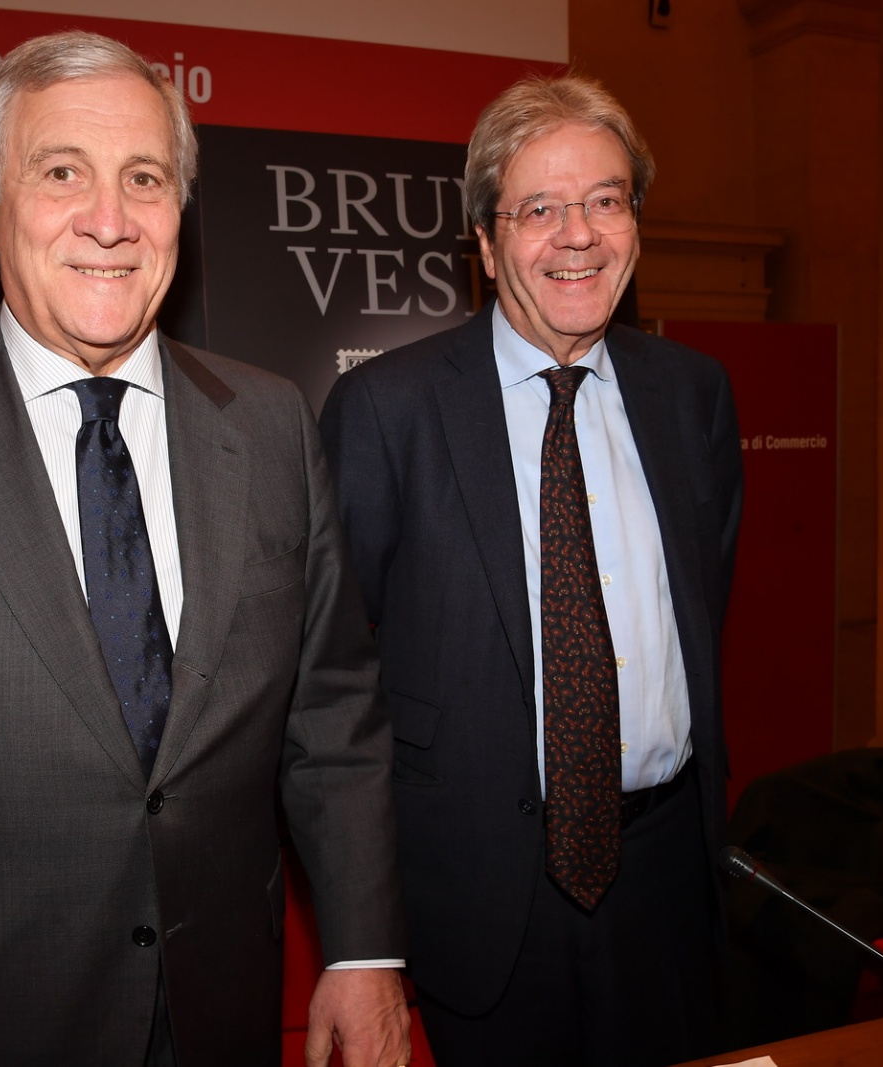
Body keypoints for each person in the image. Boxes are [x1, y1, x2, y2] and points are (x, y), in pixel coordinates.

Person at [0, 31, 408, 1067]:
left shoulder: (271, 421)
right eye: (61, 173)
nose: (110, 218)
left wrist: (362, 951)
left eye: (145, 177)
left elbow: (334, 717)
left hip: (222, 1010)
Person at [320, 75, 743, 1066]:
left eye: (604, 200)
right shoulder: (387, 410)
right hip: (477, 895)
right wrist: (364, 937)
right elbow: (326, 685)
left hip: (668, 885)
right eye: (540, 208)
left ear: (634, 221)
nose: (578, 235)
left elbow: (703, 610)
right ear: (485, 240)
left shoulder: (695, 395)